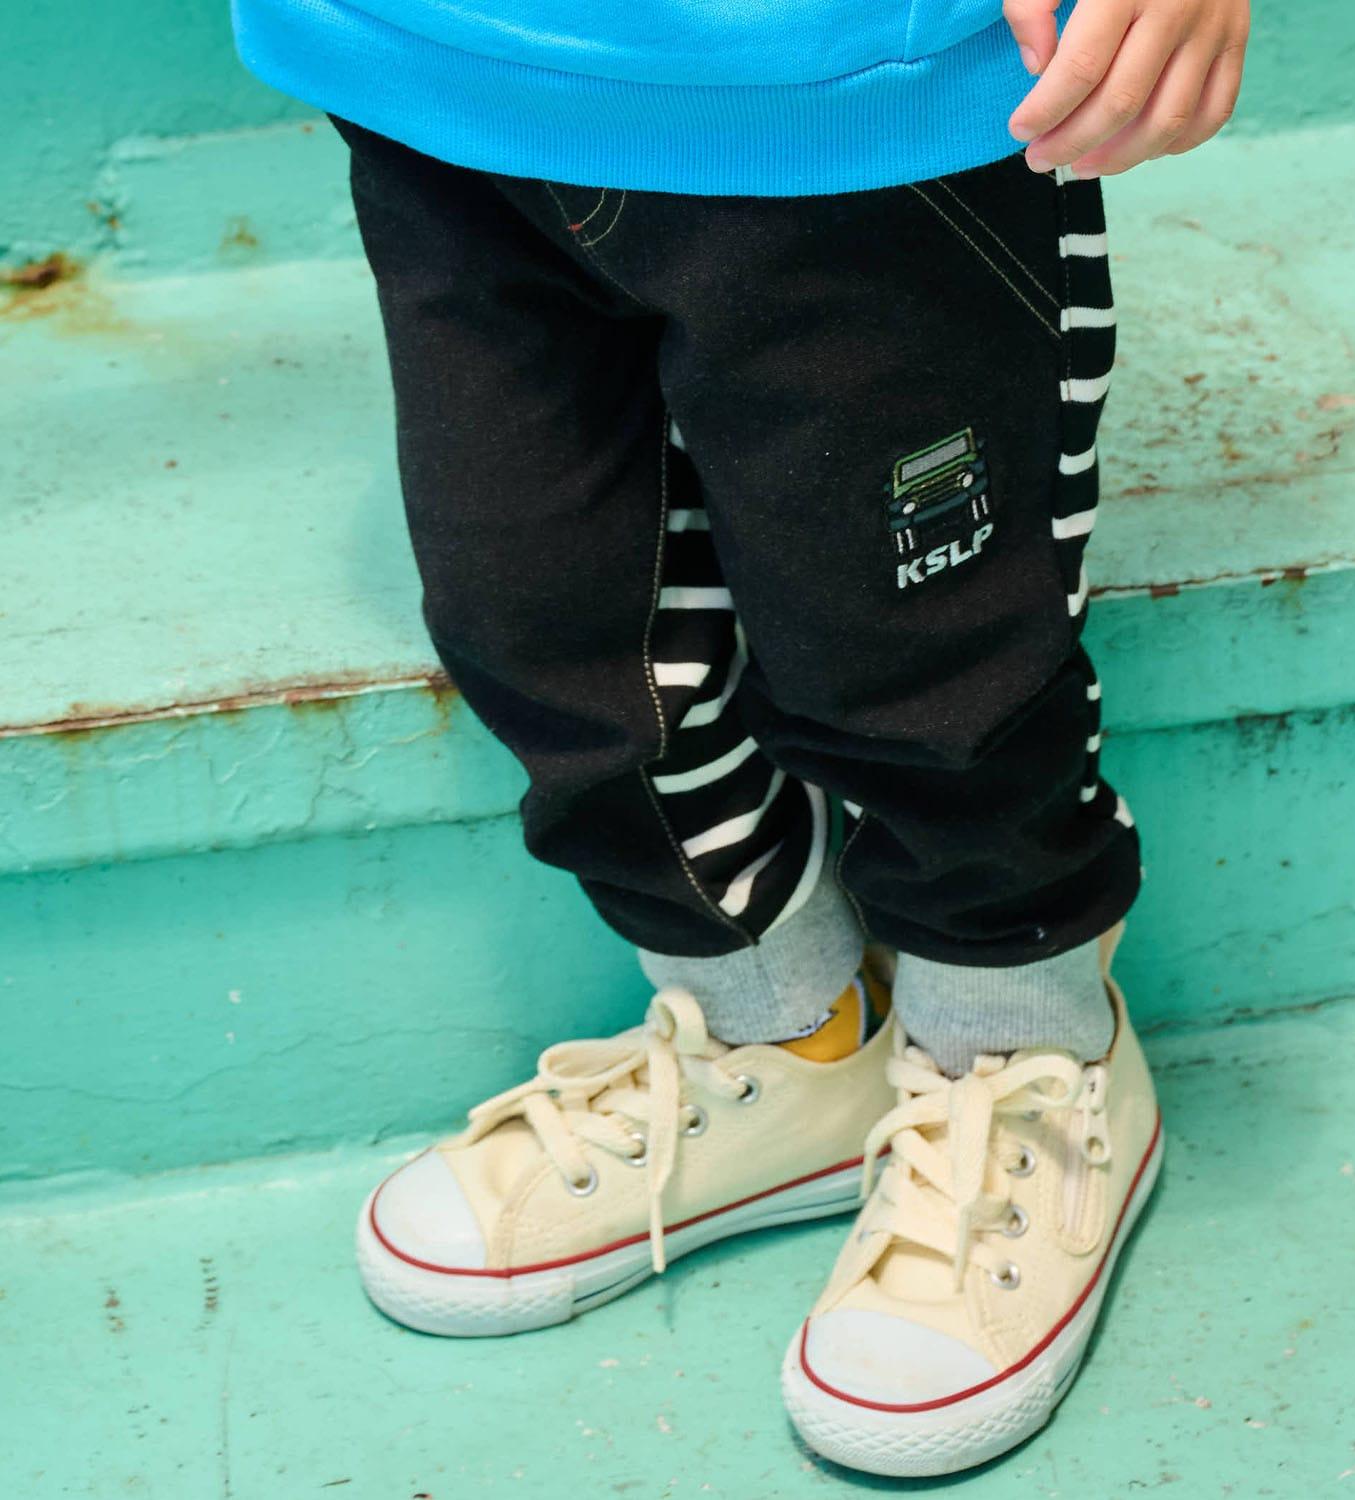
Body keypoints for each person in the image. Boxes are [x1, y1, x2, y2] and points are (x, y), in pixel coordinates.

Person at [233, 0, 1248, 1477]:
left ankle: (1022, 1051)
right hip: (430, 65)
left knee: (932, 668)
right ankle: (784, 1031)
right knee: (549, 626)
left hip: (850, 98)